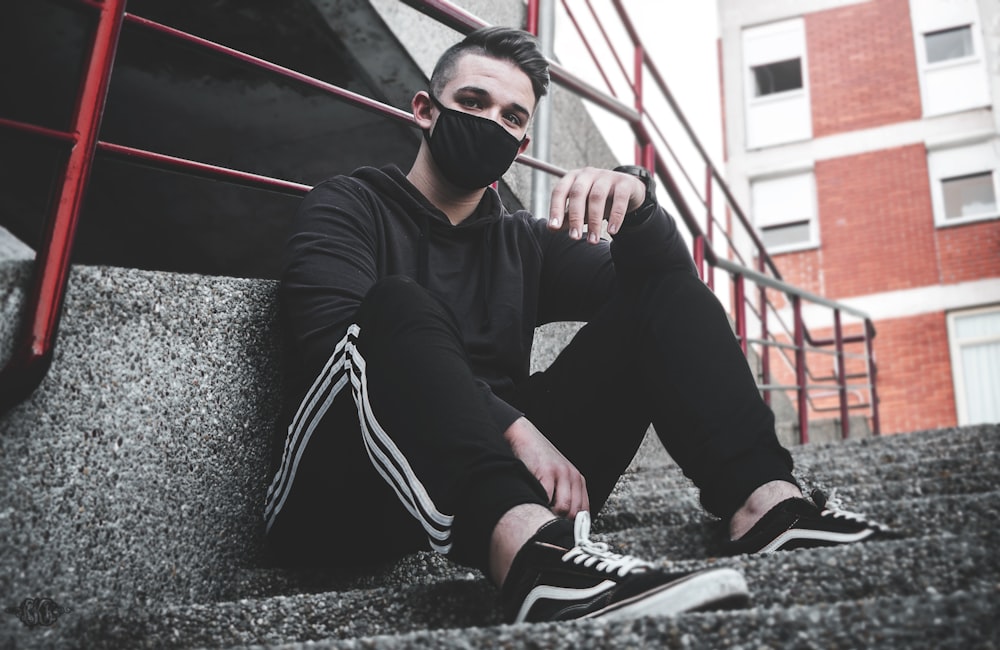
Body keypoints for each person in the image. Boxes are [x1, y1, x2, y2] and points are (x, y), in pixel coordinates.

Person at [263, 26, 884, 624]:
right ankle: (541, 564)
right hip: (351, 490)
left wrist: (639, 206)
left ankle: (767, 507)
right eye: (472, 101)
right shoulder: (347, 204)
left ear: (523, 145)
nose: (490, 123)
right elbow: (334, 346)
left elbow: (664, 293)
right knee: (398, 303)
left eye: (511, 116)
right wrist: (513, 427)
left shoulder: (522, 242)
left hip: (507, 479)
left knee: (661, 290)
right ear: (426, 109)